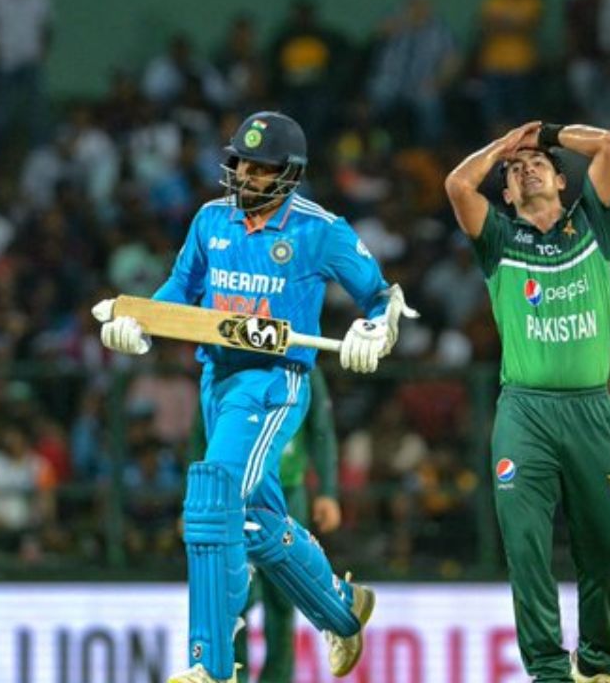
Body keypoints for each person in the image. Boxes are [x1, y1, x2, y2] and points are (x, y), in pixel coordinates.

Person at [93, 110, 416, 683]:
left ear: (289, 174)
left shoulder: (319, 230)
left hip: (272, 382)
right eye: (242, 162)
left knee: (212, 498)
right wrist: (141, 321)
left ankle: (210, 666)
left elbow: (381, 297)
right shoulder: (210, 219)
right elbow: (181, 288)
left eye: (261, 168)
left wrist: (374, 329)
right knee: (258, 519)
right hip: (216, 380)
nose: (246, 175)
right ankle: (342, 609)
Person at [444, 120, 610, 683]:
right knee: (525, 546)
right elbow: (457, 185)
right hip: (525, 413)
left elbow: (606, 145)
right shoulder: (498, 239)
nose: (527, 170)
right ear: (505, 192)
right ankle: (548, 670)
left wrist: (545, 134)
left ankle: (597, 664)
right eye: (515, 171)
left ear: (561, 180)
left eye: (538, 164)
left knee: (608, 548)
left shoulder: (593, 222)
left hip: (591, 411)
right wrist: (503, 146)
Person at [190, 368, 341, 683]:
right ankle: (234, 676)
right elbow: (202, 431)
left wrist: (327, 491)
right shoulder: (228, 361)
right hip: (235, 494)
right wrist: (193, 498)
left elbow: (321, 429)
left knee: (284, 595)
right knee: (234, 592)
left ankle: (277, 678)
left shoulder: (301, 362)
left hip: (288, 492)